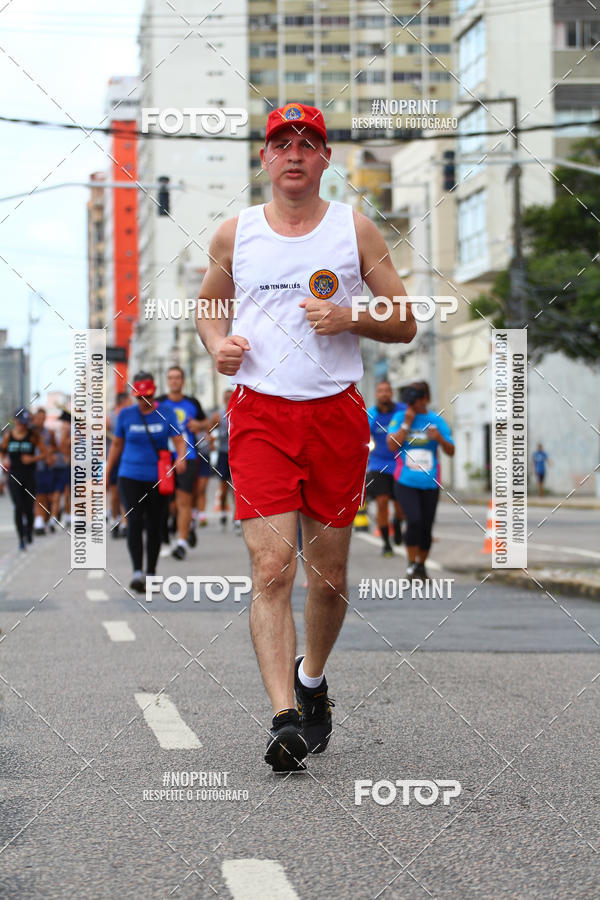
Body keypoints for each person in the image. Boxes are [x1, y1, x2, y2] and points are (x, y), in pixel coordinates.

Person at [196, 101, 416, 772]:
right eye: (281, 143)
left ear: (324, 160)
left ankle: (313, 682)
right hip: (260, 415)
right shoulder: (235, 234)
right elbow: (209, 304)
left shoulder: (355, 232)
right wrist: (217, 345)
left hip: (335, 417)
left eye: (308, 143)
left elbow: (405, 320)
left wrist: (351, 315)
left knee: (329, 578)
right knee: (272, 568)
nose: (294, 153)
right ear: (264, 158)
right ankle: (284, 714)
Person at [104, 371, 187, 592]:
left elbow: (179, 441)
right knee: (134, 522)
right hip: (129, 475)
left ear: (154, 393)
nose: (143, 401)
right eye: (139, 397)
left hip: (158, 478)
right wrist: (106, 472)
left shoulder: (167, 413)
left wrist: (180, 457)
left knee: (154, 525)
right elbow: (116, 446)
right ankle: (137, 573)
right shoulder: (126, 416)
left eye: (147, 396)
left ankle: (151, 572)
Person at [386, 383, 454, 581]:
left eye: (414, 401)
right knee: (414, 520)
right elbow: (391, 445)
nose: (411, 405)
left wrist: (439, 438)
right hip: (405, 481)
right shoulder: (400, 418)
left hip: (430, 483)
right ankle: (411, 563)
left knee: (426, 526)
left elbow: (451, 451)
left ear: (425, 399)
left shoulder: (436, 421)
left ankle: (421, 565)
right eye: (408, 402)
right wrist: (406, 424)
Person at [156, 365, 209, 560]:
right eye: (171, 378)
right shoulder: (159, 403)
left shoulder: (192, 403)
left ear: (183, 380)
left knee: (184, 501)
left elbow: (208, 423)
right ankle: (166, 538)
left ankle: (181, 542)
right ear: (167, 381)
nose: (174, 381)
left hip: (189, 457)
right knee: (166, 504)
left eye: (177, 377)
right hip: (164, 459)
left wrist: (200, 425)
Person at [366, 380, 405, 556]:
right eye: (380, 391)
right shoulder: (371, 414)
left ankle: (397, 524)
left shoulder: (402, 412)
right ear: (376, 394)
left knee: (400, 506)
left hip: (399, 463)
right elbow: (363, 434)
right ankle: (385, 543)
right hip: (378, 463)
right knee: (382, 502)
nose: (384, 394)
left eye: (387, 391)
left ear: (392, 393)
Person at [0, 409, 43, 549]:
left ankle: (29, 530)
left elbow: (46, 453)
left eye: (25, 423)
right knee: (18, 507)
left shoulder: (32, 436)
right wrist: (4, 461)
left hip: (29, 475)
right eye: (20, 423)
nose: (22, 426)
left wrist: (33, 458)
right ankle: (21, 538)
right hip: (13, 475)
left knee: (29, 507)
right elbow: (2, 451)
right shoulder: (8, 436)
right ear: (15, 421)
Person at [209, 388, 234, 528]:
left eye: (231, 397)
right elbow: (209, 430)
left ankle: (237, 518)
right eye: (226, 397)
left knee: (237, 488)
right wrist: (212, 441)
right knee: (224, 487)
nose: (229, 399)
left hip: (236, 453)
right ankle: (224, 512)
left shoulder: (239, 412)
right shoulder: (219, 415)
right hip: (223, 453)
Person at [31, 408, 57, 535]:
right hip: (35, 468)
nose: (41, 421)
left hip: (47, 468)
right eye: (38, 418)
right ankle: (38, 521)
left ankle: (45, 519)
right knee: (39, 496)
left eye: (43, 418)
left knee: (49, 497)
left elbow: (54, 447)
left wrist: (51, 454)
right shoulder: (30, 433)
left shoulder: (49, 433)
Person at [107, 392, 129, 538]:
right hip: (114, 459)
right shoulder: (110, 418)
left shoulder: (131, 417)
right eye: (129, 401)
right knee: (115, 494)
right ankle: (115, 519)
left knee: (125, 493)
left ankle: (125, 523)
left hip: (127, 458)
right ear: (122, 402)